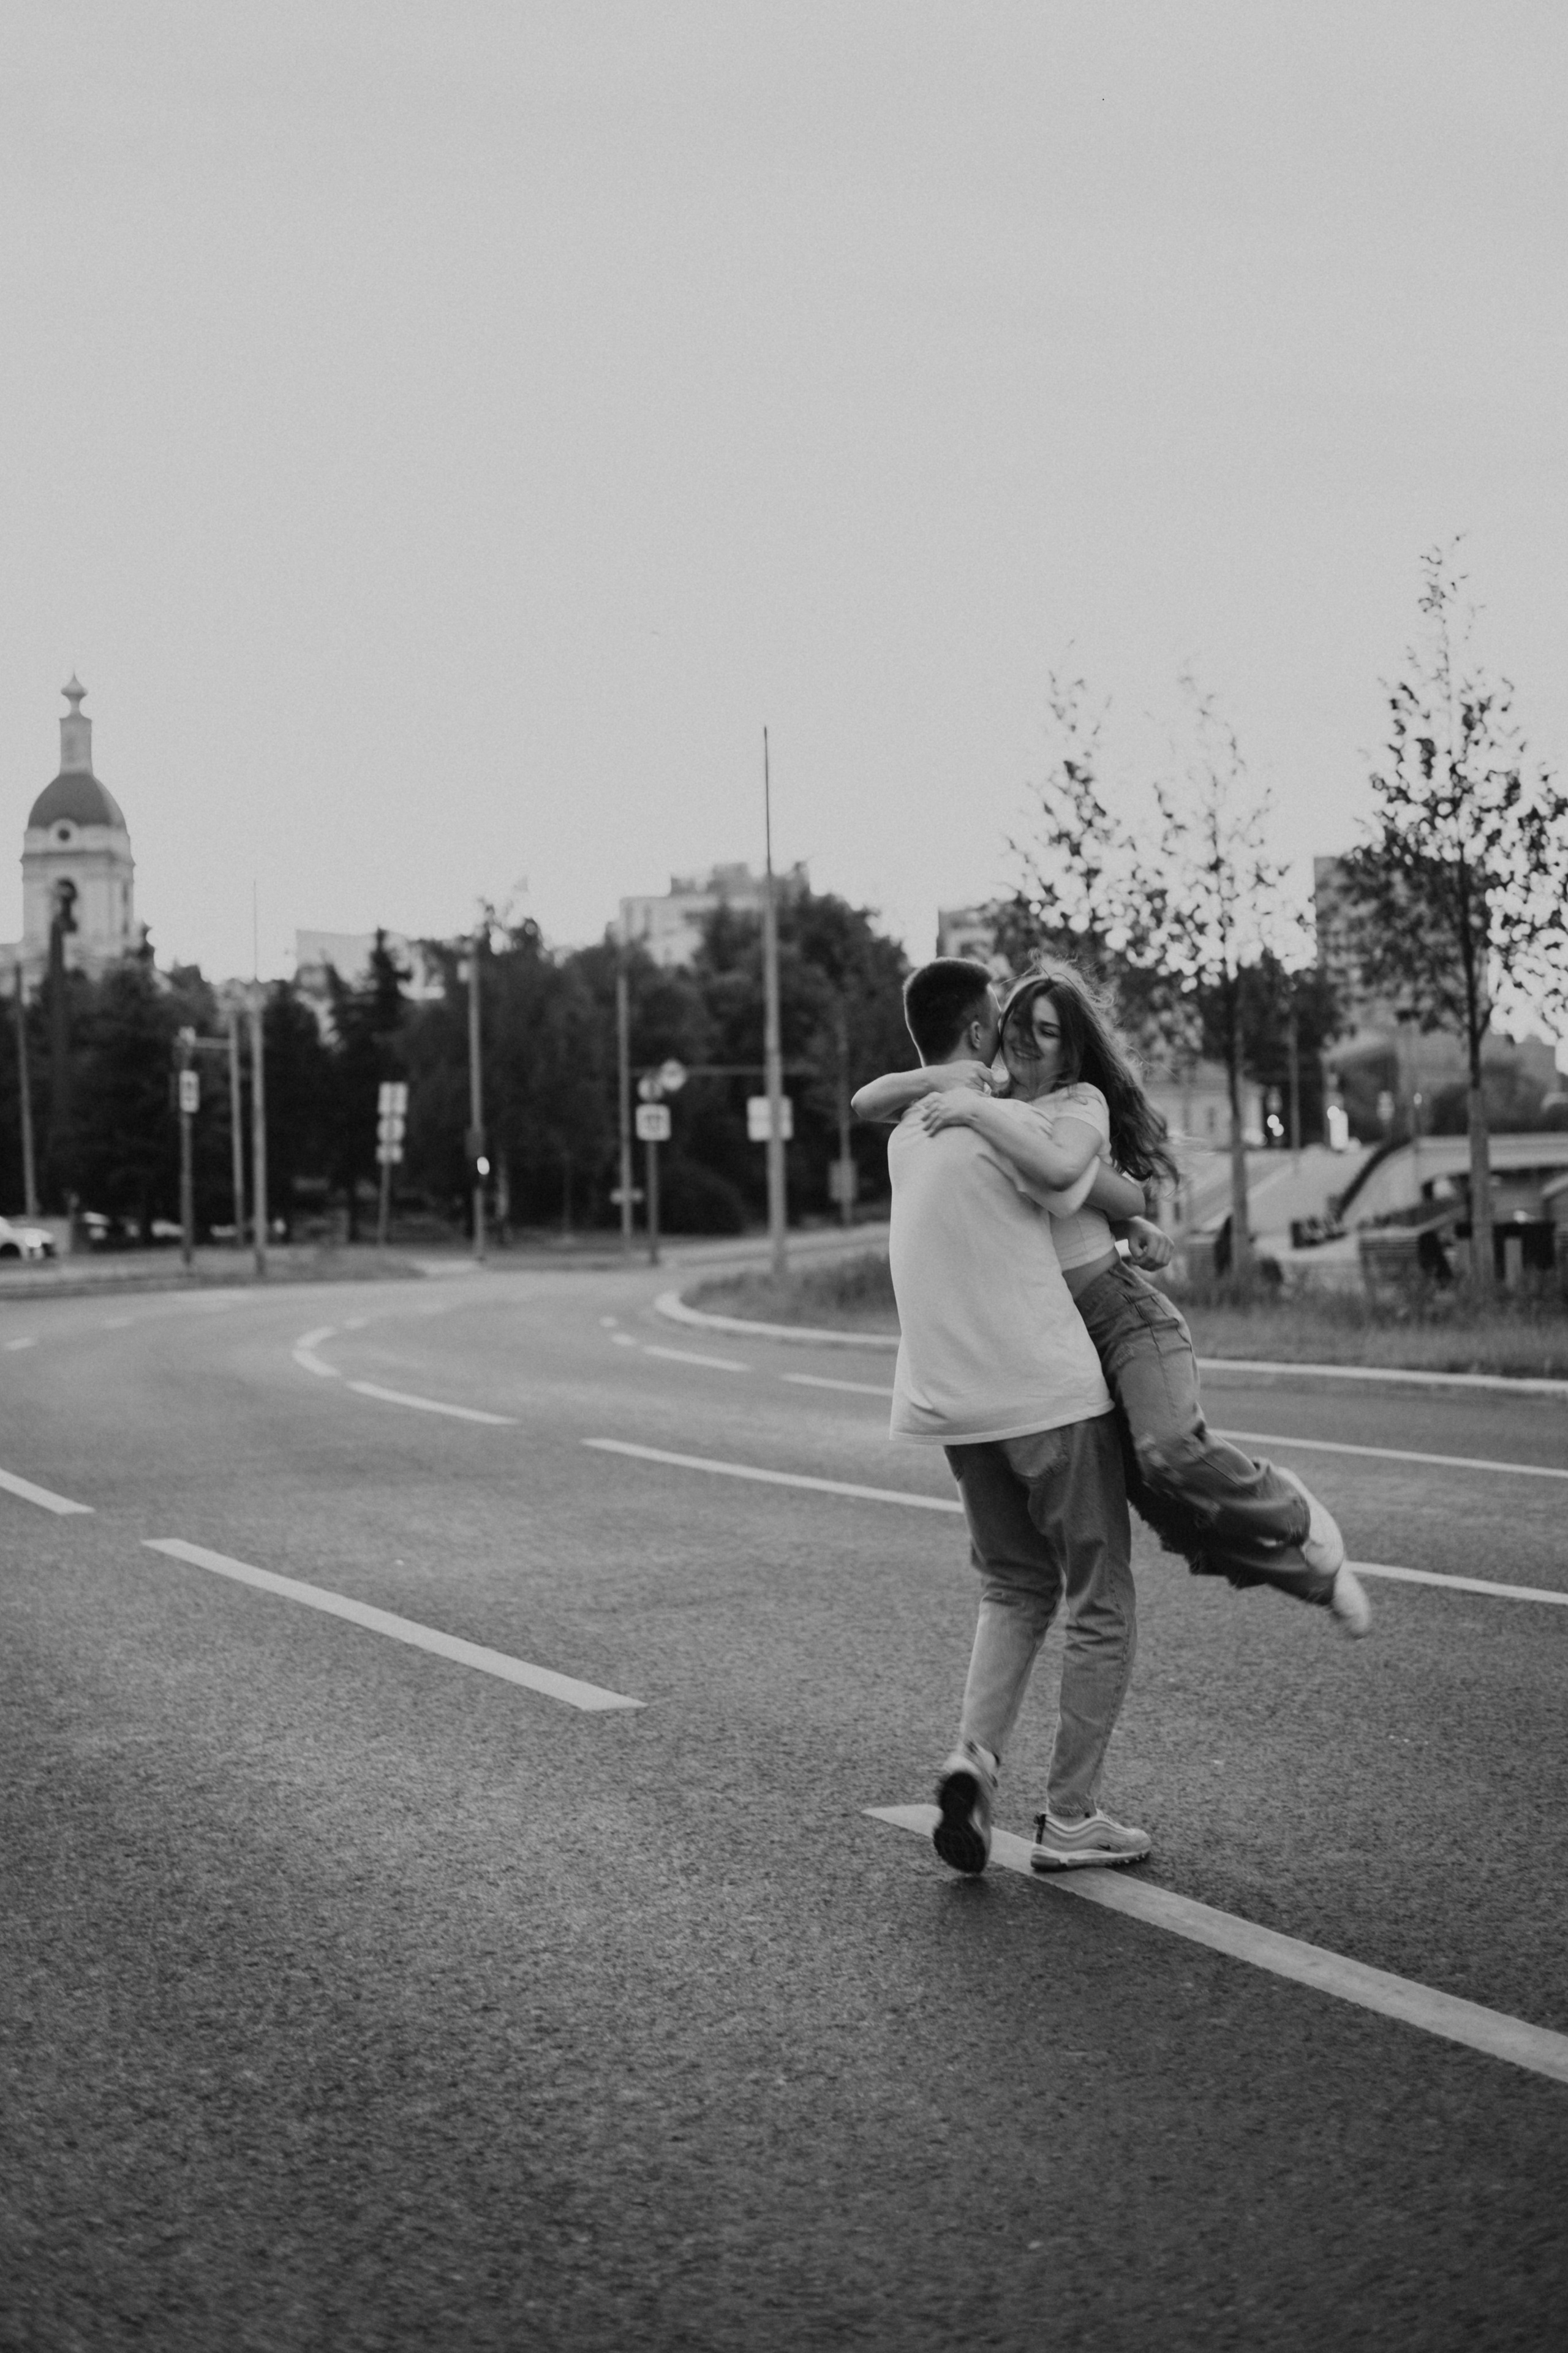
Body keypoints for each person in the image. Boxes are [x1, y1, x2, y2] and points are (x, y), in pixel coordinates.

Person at [855, 962, 1371, 1634]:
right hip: (1062, 1340)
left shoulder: (1070, 1105)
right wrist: (943, 1083)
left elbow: (1072, 1174)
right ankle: (1316, 1582)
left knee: (1169, 1452)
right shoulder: (990, 1101)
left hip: (1121, 1315)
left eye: (1048, 1032)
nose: (1027, 1041)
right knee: (1173, 1519)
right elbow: (869, 1101)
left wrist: (1125, 1209)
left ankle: (1292, 1510)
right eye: (1019, 1024)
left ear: (1071, 1050)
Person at [884, 957, 1153, 1879]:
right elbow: (1089, 1187)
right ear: (974, 1037)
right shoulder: (1019, 1120)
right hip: (1045, 1393)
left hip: (955, 1407)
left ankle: (974, 1757)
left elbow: (877, 1098)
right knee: (1099, 1592)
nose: (1011, 1038)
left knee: (1013, 1586)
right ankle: (1073, 1817)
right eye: (999, 1021)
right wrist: (1138, 1215)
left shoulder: (908, 1137)